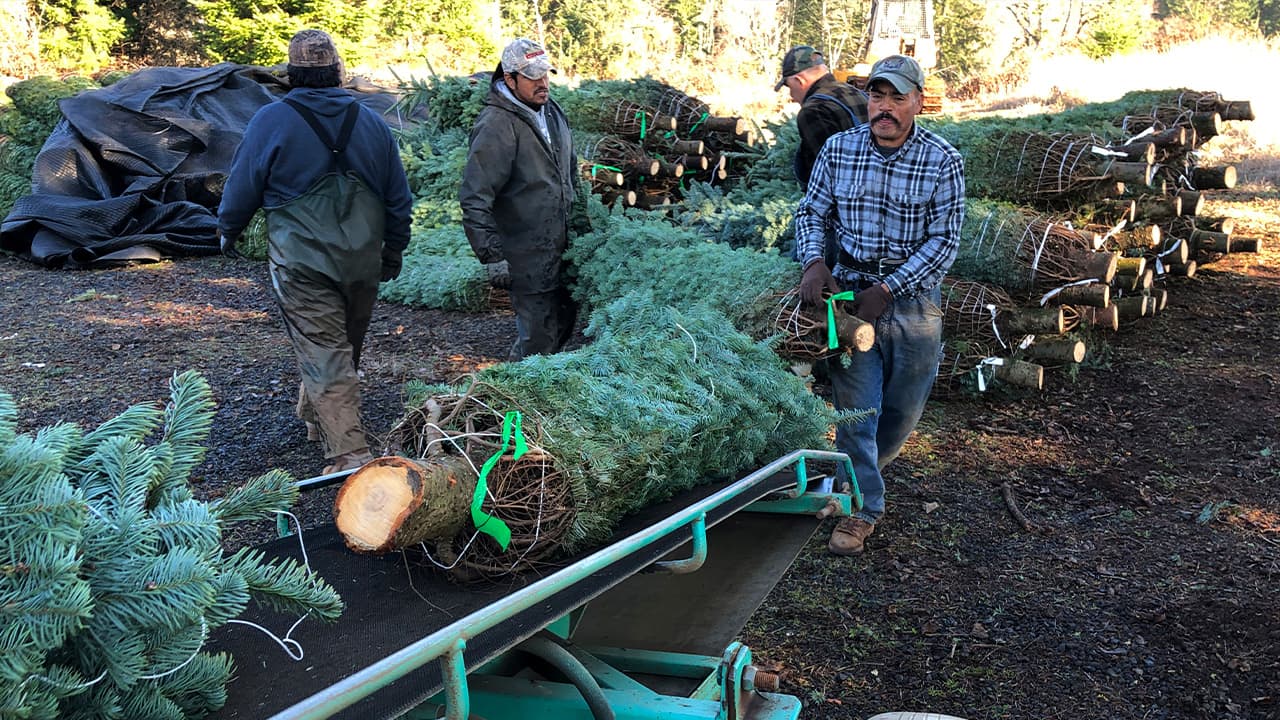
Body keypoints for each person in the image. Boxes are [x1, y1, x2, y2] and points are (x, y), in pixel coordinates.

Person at [218, 29, 413, 475]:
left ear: (292, 75)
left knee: (326, 349)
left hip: (302, 262)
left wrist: (228, 229)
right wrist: (394, 248)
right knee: (340, 346)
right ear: (338, 73)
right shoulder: (372, 123)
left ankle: (350, 456)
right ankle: (317, 419)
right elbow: (398, 197)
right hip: (361, 260)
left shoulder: (271, 120)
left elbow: (243, 185)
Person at [794, 54, 965, 555]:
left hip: (912, 307)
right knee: (857, 412)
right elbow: (812, 213)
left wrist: (888, 290)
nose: (884, 107)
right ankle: (864, 509)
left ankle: (853, 481)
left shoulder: (942, 160)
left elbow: (943, 242)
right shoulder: (839, 151)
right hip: (849, 299)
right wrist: (813, 263)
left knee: (900, 412)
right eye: (876, 95)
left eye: (896, 97)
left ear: (917, 101)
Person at [459, 37, 586, 361]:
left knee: (561, 328)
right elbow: (475, 197)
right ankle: (509, 408)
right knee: (536, 343)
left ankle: (534, 402)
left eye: (545, 74)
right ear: (509, 79)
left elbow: (570, 175)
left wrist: (585, 226)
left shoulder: (552, 112)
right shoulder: (497, 125)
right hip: (525, 255)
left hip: (563, 248)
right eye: (532, 77)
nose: (543, 83)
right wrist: (492, 256)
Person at [775, 45, 869, 191]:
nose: (791, 96)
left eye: (789, 87)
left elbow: (830, 174)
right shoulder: (859, 94)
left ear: (800, 81)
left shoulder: (813, 110)